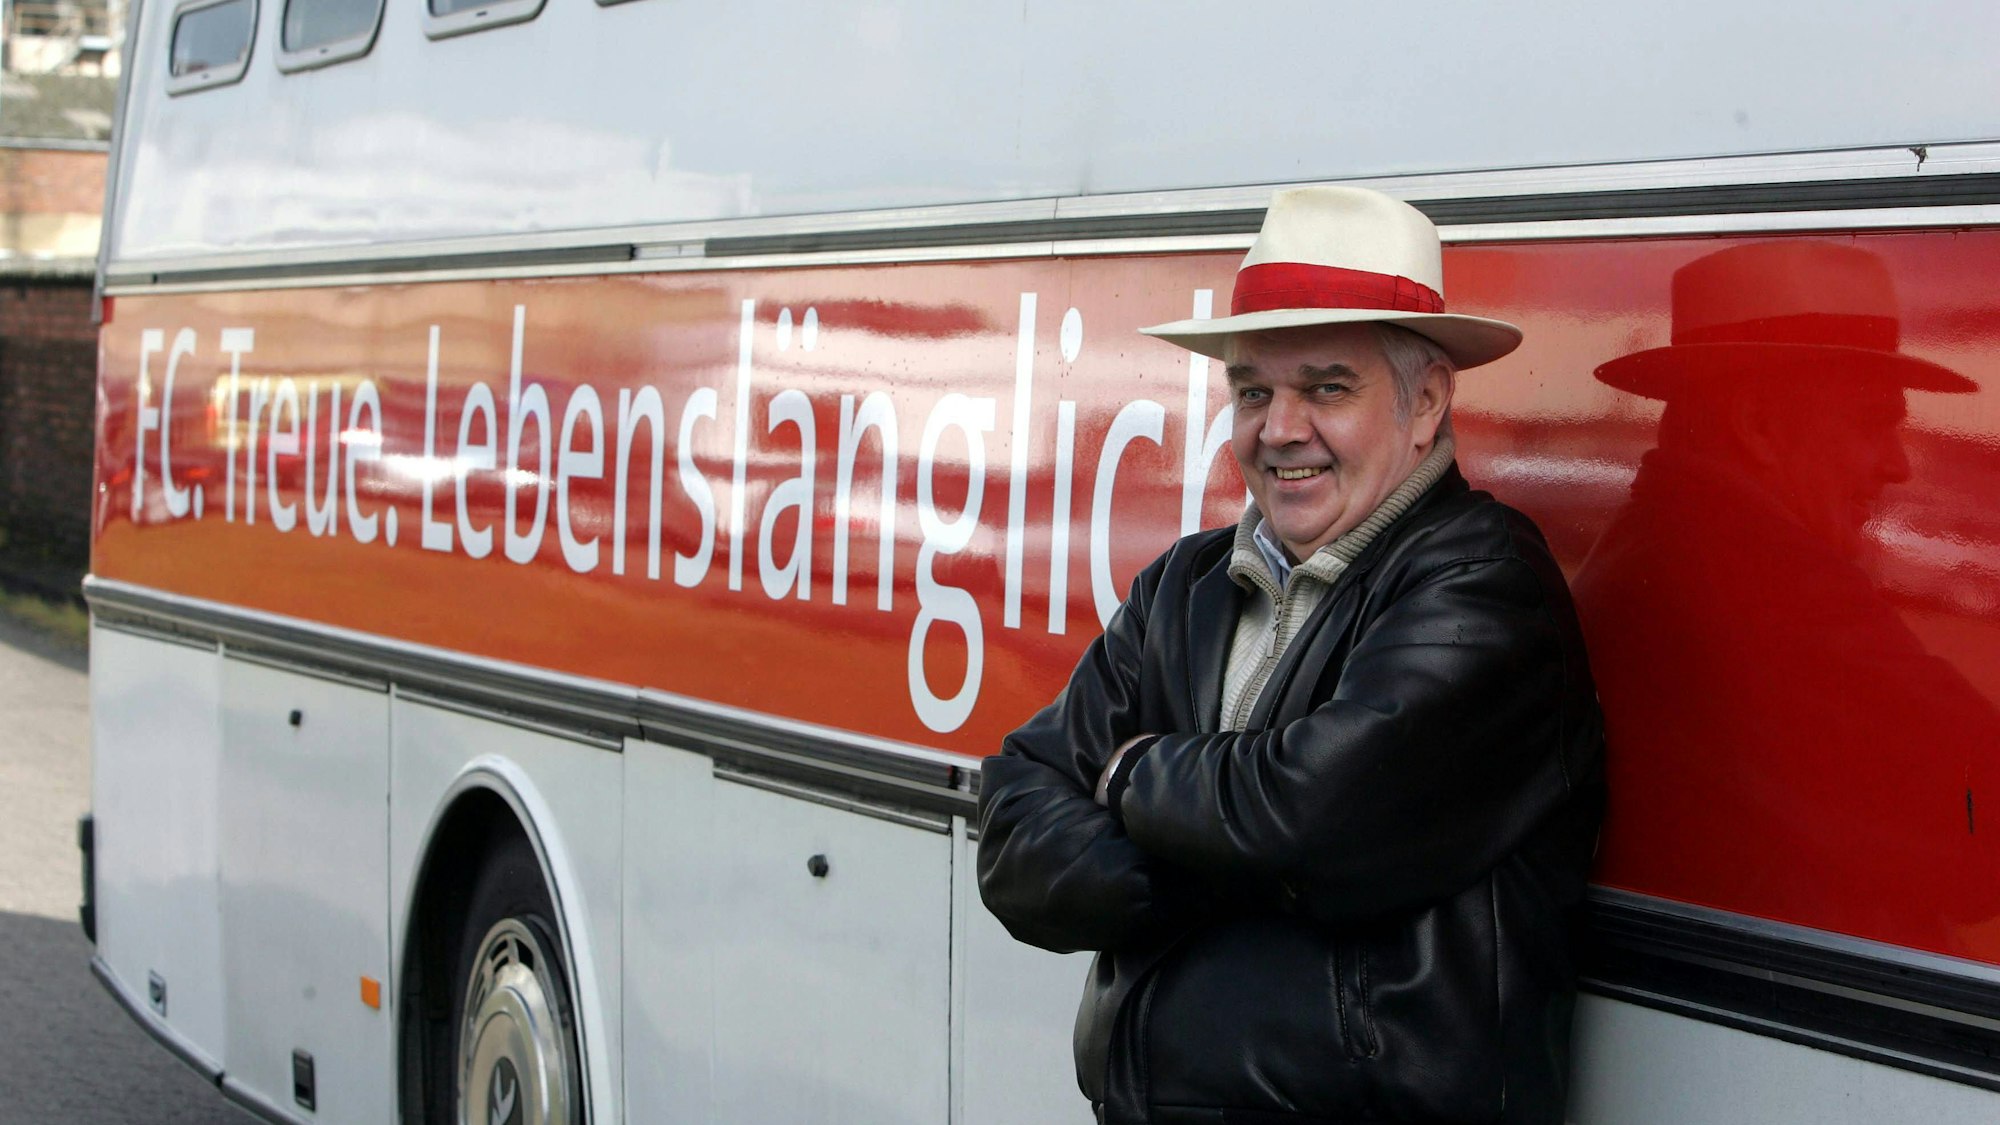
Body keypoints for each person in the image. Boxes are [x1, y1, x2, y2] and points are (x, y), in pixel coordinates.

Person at [976, 186, 1606, 1125]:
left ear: (1426, 400)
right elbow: (1014, 819)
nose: (1279, 429)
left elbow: (1313, 816)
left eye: (1327, 387)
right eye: (1254, 391)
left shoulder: (1484, 588)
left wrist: (1131, 773)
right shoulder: (1182, 587)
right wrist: (1208, 860)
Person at [1572, 240, 2000, 952]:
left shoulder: (1660, 549)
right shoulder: (1764, 586)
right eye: (1872, 422)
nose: (1896, 464)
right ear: (1759, 427)